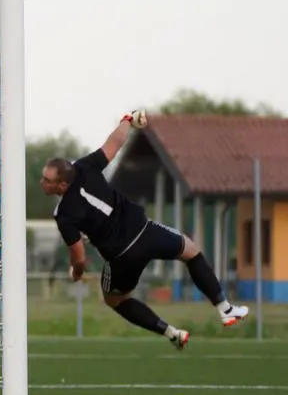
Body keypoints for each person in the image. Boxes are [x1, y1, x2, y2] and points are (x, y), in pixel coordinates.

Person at [39, 110, 249, 350]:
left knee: (115, 300)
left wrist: (76, 272)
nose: (42, 182)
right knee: (191, 251)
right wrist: (127, 121)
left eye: (47, 180)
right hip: (146, 232)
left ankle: (172, 333)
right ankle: (225, 309)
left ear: (62, 184)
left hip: (121, 258)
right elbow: (114, 143)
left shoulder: (63, 214)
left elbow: (79, 256)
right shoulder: (85, 166)